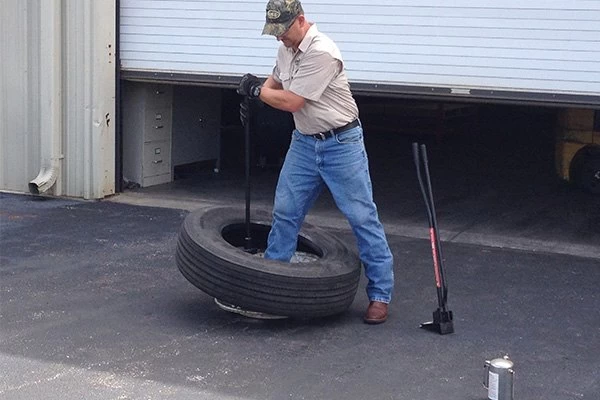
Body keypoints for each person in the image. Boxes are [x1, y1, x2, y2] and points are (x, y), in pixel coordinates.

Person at [237, 0, 394, 324]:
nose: (279, 37)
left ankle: (380, 295)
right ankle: (273, 284)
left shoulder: (322, 51)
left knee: (362, 217)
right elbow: (274, 82)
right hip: (305, 143)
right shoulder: (286, 49)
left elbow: (293, 101)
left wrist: (256, 93)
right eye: (274, 32)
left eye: (283, 30)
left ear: (301, 20)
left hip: (341, 144)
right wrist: (256, 97)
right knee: (285, 211)